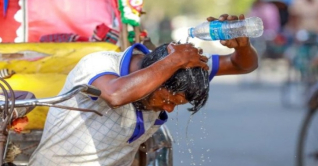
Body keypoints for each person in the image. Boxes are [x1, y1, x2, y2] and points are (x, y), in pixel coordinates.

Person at [29, 14, 258, 166]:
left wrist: (243, 45)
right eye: (168, 99)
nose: (168, 108)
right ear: (157, 75)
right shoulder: (98, 64)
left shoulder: (182, 70)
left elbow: (243, 65)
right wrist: (173, 61)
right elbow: (116, 95)